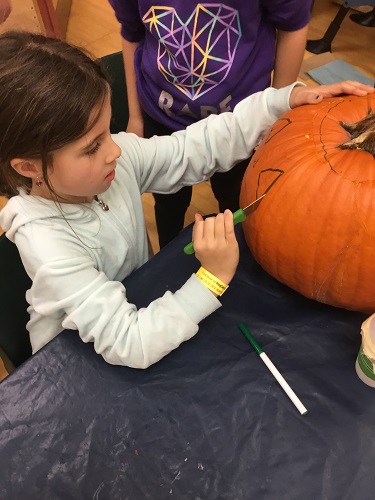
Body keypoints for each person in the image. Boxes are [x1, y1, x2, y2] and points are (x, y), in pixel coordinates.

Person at [0, 31, 373, 369]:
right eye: (92, 146)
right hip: (72, 363)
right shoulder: (49, 246)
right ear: (30, 167)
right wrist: (210, 278)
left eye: (108, 131)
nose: (115, 150)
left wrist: (279, 103)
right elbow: (129, 342)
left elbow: (196, 147)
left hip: (136, 305)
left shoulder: (110, 163)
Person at [108, 0, 313, 248]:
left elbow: (293, 24)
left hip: (241, 121)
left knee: (235, 201)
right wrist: (136, 117)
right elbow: (132, 33)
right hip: (162, 118)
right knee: (168, 204)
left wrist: (276, 113)